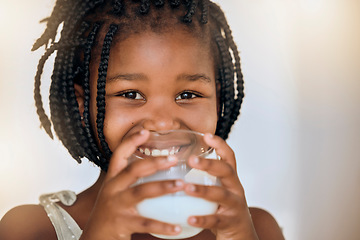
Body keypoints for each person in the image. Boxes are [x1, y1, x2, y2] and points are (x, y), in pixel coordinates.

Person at [0, 0, 285, 239]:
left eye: (188, 94)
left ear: (219, 101)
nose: (163, 123)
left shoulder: (257, 228)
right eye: (131, 94)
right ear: (83, 105)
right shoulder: (31, 228)